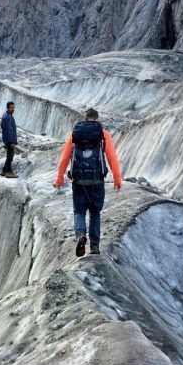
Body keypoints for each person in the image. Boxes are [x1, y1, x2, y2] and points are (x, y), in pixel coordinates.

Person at [53, 108, 122, 256]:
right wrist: (117, 178)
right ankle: (94, 247)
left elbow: (65, 157)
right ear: (97, 119)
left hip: (78, 180)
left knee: (79, 211)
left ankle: (80, 235)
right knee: (95, 213)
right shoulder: (104, 134)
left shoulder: (75, 134)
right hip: (97, 180)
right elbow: (111, 157)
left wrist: (59, 177)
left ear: (85, 118)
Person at [0, 101, 18, 178]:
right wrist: (11, 142)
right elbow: (7, 130)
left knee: (9, 155)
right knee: (10, 156)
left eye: (13, 107)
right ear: (8, 108)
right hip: (9, 140)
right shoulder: (7, 117)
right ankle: (8, 171)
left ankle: (4, 170)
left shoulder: (8, 115)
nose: (12, 109)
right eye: (11, 107)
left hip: (8, 139)